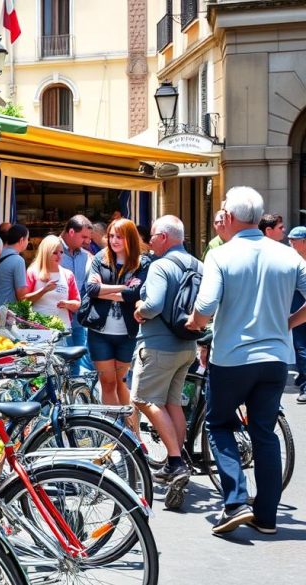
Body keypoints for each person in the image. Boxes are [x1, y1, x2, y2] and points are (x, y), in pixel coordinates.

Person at [189, 186, 306, 536]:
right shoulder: (287, 256)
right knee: (264, 434)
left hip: (233, 357)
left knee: (220, 424)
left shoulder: (221, 255)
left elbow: (205, 307)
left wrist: (194, 322)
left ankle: (236, 501)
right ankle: (266, 517)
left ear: (229, 216)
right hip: (274, 359)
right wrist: (288, 323)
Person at [132, 215, 202, 510]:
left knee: (144, 399)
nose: (149, 243)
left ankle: (175, 460)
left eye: (152, 237)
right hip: (187, 344)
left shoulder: (160, 266)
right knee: (173, 403)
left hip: (159, 345)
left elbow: (154, 304)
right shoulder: (197, 264)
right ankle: (180, 456)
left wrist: (140, 308)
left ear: (163, 237)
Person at [83, 219, 150, 411]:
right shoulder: (100, 258)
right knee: (108, 383)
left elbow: (135, 294)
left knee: (124, 384)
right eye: (111, 236)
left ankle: (131, 434)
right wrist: (122, 288)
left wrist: (105, 290)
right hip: (99, 332)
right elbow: (92, 289)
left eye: (119, 236)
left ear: (129, 237)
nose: (114, 240)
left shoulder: (142, 262)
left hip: (128, 334)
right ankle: (113, 431)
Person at [59, 215, 95, 373]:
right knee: (59, 362)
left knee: (77, 359)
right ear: (71, 232)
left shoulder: (85, 256)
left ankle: (74, 394)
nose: (88, 241)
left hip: (78, 319)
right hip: (57, 319)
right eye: (84, 237)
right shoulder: (53, 250)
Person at [23, 235, 80, 331]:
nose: (59, 256)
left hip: (63, 329)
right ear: (46, 253)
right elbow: (24, 301)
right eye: (55, 252)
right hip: (38, 329)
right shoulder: (33, 272)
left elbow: (77, 304)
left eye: (61, 252)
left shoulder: (67, 274)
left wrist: (67, 304)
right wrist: (44, 290)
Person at [289, 226, 306, 404]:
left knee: (302, 348)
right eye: (290, 240)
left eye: (295, 240)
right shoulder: (292, 259)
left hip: (301, 307)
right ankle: (303, 377)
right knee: (300, 347)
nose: (291, 243)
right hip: (297, 306)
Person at [0, 224, 30, 306]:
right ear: (21, 240)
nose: (28, 242)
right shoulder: (18, 260)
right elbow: (22, 295)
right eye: (27, 239)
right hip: (4, 312)